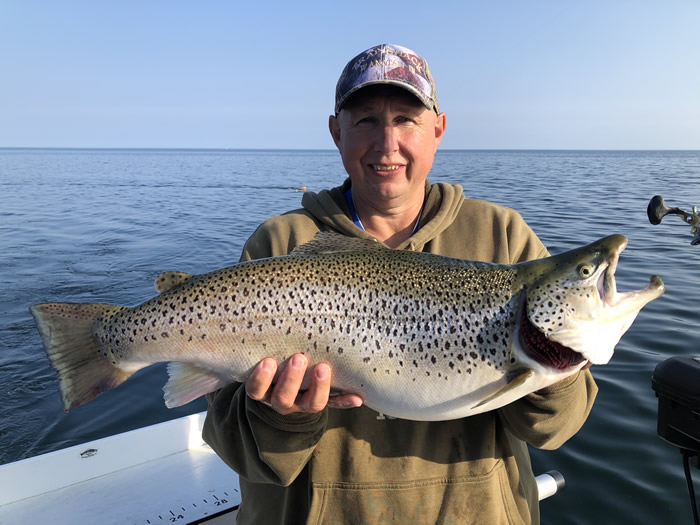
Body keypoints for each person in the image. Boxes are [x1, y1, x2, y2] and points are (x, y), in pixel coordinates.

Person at [203, 43, 597, 524]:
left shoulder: (504, 237)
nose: (387, 143)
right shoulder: (282, 242)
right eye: (366, 120)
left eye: (407, 119)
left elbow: (555, 428)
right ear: (336, 132)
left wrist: (551, 362)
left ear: (438, 128)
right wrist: (280, 416)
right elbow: (236, 447)